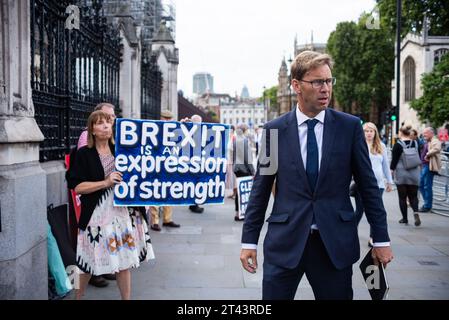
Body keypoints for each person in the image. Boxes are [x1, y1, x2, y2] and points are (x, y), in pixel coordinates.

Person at [240, 51, 393, 300]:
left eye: (329, 81)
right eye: (317, 82)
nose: (326, 89)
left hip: (333, 245)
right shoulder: (273, 131)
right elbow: (260, 189)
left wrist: (381, 238)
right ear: (296, 86)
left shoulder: (349, 127)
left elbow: (367, 186)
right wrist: (249, 242)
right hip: (285, 244)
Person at [69, 110, 154, 299]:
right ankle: (78, 296)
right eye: (100, 123)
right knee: (86, 261)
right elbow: (77, 187)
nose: (106, 126)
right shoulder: (83, 154)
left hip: (122, 212)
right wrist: (105, 183)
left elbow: (155, 151)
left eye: (108, 122)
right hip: (96, 213)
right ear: (91, 129)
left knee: (123, 260)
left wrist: (185, 127)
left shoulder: (123, 149)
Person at [76, 102, 117, 287]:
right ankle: (92, 275)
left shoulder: (117, 142)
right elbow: (83, 176)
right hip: (94, 202)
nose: (109, 122)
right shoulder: (87, 142)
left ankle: (104, 269)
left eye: (111, 118)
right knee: (88, 250)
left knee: (110, 243)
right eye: (106, 118)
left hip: (113, 204)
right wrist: (106, 181)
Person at [353, 122, 394, 247]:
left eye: (371, 131)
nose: (369, 133)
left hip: (378, 185)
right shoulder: (358, 145)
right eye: (366, 131)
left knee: (375, 211)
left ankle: (373, 237)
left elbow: (385, 166)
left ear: (375, 132)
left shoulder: (380, 146)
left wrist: (389, 182)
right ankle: (350, 232)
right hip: (361, 184)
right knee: (359, 211)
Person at [149, 109, 181, 231]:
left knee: (169, 191)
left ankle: (168, 219)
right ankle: (155, 221)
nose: (167, 121)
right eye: (165, 118)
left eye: (169, 119)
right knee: (156, 192)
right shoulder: (153, 130)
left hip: (169, 166)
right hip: (156, 165)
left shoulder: (173, 132)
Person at [390, 125, 421, 226]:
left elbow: (394, 160)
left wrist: (391, 170)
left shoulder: (398, 145)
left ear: (401, 133)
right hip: (414, 173)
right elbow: (419, 157)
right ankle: (416, 213)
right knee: (413, 196)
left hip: (402, 173)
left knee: (402, 197)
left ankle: (405, 218)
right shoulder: (416, 143)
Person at [232, 123, 255, 221]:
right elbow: (248, 159)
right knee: (245, 192)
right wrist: (253, 171)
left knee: (239, 192)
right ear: (245, 130)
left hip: (237, 168)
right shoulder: (245, 141)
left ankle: (238, 213)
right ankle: (243, 213)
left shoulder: (235, 140)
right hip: (245, 169)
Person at [418, 127, 442, 212]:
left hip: (429, 166)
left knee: (427, 186)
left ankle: (427, 205)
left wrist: (428, 154)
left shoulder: (435, 140)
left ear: (431, 133)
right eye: (424, 133)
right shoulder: (427, 141)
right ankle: (427, 203)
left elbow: (437, 148)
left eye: (426, 133)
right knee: (421, 185)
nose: (424, 135)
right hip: (424, 166)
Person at [188, 114, 205, 214]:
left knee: (196, 184)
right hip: (191, 162)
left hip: (197, 162)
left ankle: (194, 203)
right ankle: (194, 204)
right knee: (194, 184)